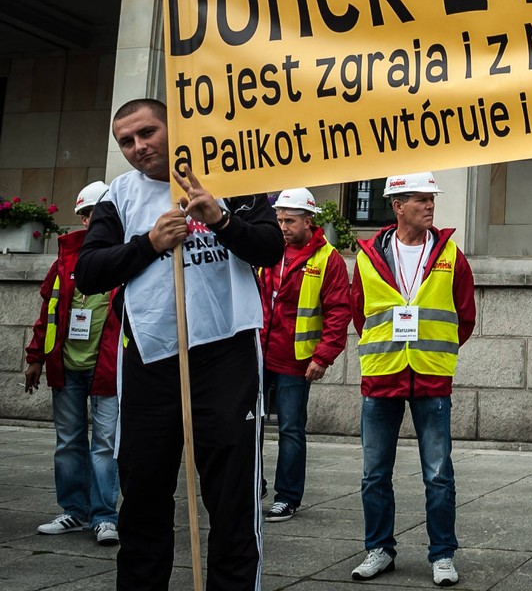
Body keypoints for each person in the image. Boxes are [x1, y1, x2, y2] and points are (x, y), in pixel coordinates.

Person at [75, 98, 283, 591]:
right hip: (150, 357)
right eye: (126, 141)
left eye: (147, 132)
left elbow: (270, 247)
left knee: (232, 497)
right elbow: (88, 271)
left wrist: (221, 220)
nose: (138, 147)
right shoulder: (118, 195)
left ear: (175, 127)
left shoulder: (232, 175)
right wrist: (147, 244)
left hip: (226, 352)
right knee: (143, 497)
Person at [348, 172, 475, 586]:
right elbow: (358, 312)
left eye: (432, 199)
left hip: (431, 376)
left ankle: (442, 555)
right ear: (397, 206)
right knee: (374, 474)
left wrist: (436, 349)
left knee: (439, 474)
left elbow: (465, 315)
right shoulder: (367, 256)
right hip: (381, 375)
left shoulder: (451, 255)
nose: (430, 206)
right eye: (420, 199)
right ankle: (379, 549)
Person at [24, 180, 122, 545]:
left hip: (108, 369)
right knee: (68, 443)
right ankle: (74, 512)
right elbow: (46, 314)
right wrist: (36, 358)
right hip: (65, 367)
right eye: (86, 214)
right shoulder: (62, 262)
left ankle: (104, 517)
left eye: (98, 213)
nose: (91, 220)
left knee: (105, 444)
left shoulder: (123, 257)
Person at [258, 187, 351, 523]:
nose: (283, 226)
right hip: (258, 352)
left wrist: (323, 356)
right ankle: (256, 484)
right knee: (248, 424)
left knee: (291, 429)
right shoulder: (270, 250)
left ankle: (287, 496)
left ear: (309, 220)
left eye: (290, 220)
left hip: (295, 360)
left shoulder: (329, 259)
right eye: (279, 219)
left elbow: (340, 311)